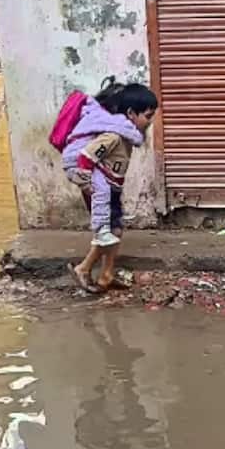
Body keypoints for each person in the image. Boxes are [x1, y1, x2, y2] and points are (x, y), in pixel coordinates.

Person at [63, 81, 158, 292]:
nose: (150, 122)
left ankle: (107, 274)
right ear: (131, 113)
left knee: (116, 228)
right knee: (109, 229)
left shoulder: (125, 133)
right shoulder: (113, 135)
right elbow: (87, 157)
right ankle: (84, 268)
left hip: (111, 187)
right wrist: (89, 185)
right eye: (148, 116)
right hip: (100, 189)